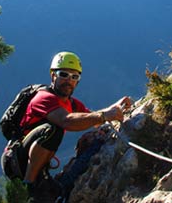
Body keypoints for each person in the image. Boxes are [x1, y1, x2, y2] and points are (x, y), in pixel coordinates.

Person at [17, 51, 131, 201]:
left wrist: (116, 107)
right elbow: (67, 121)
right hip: (19, 160)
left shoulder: (71, 103)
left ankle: (38, 182)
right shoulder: (43, 98)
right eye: (63, 74)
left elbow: (92, 118)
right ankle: (30, 187)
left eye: (74, 77)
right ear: (53, 76)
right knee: (53, 130)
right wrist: (104, 115)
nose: (69, 80)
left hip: (36, 161)